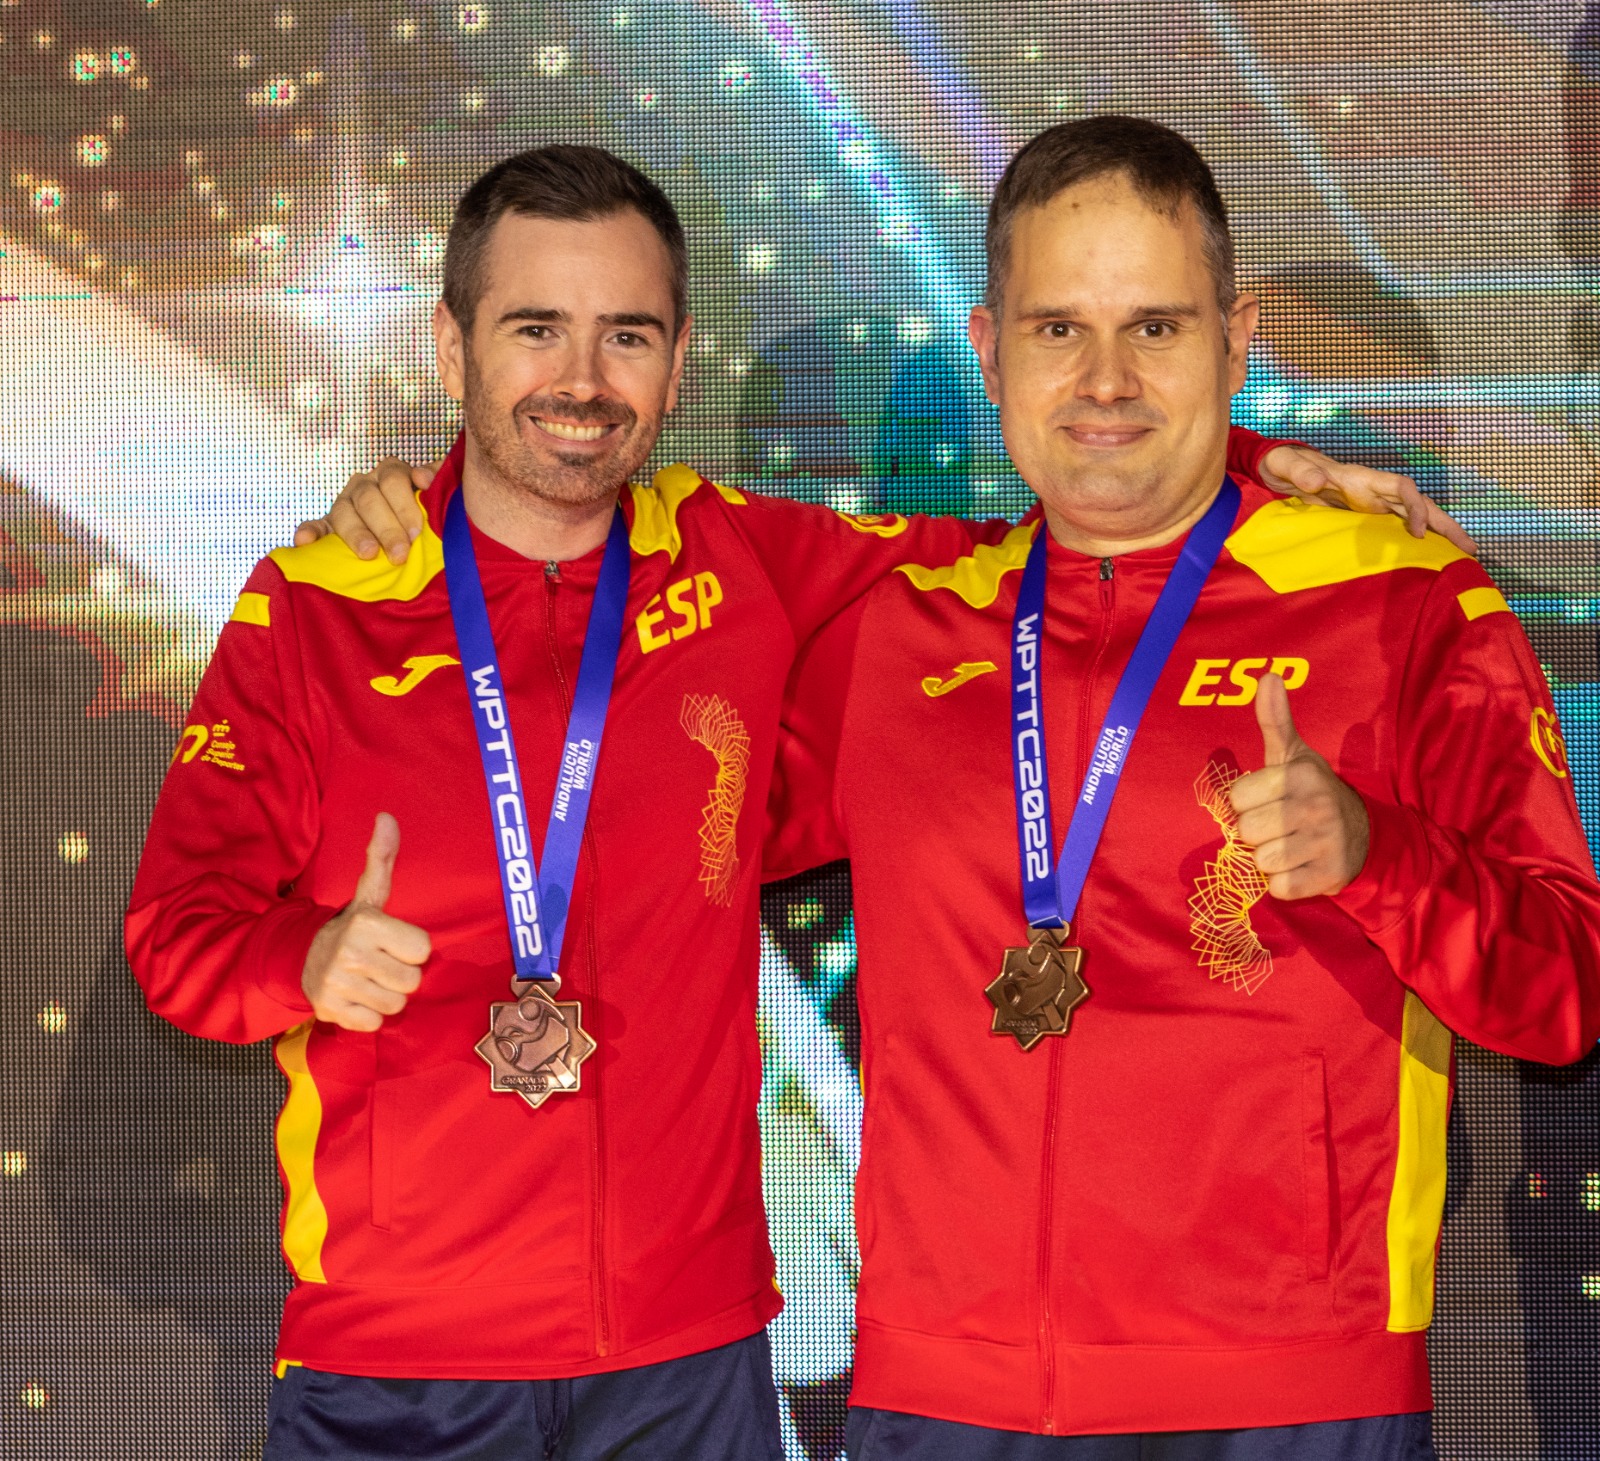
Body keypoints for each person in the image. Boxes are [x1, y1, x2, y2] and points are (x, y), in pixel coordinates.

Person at [126, 142, 1445, 1459]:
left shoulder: (753, 562)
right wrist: (303, 959)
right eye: (536, 329)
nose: (581, 380)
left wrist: (1257, 466)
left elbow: (1064, 534)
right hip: (392, 1366)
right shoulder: (317, 604)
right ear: (450, 346)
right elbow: (177, 932)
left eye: (626, 336)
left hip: (689, 1370)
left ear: (677, 359)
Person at [767, 116, 1600, 1459]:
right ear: (989, 351)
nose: (1104, 378)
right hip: (946, 1397)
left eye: (1156, 327)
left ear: (1236, 336)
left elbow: (1565, 989)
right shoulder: (895, 620)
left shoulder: (1400, 599)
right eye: (1057, 331)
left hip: (1287, 1402)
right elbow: (611, 564)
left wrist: (1377, 854)